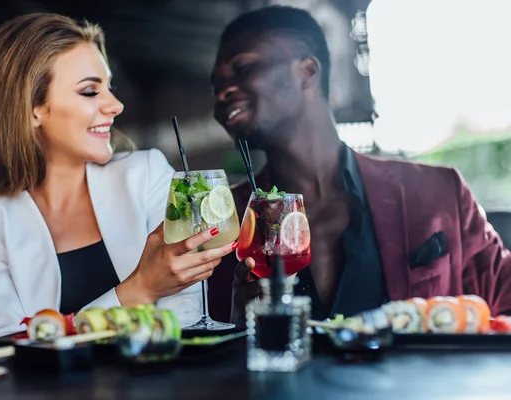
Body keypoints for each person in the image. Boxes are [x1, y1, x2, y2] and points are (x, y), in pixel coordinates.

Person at [207, 5, 511, 325]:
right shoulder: (223, 227)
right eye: (216, 86)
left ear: (307, 71)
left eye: (242, 68)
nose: (222, 93)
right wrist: (239, 329)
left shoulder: (438, 193)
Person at [0, 13, 236, 344]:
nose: (115, 105)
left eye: (109, 87)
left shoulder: (147, 176)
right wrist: (138, 290)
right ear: (32, 109)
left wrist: (62, 332)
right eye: (89, 91)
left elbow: (182, 324)